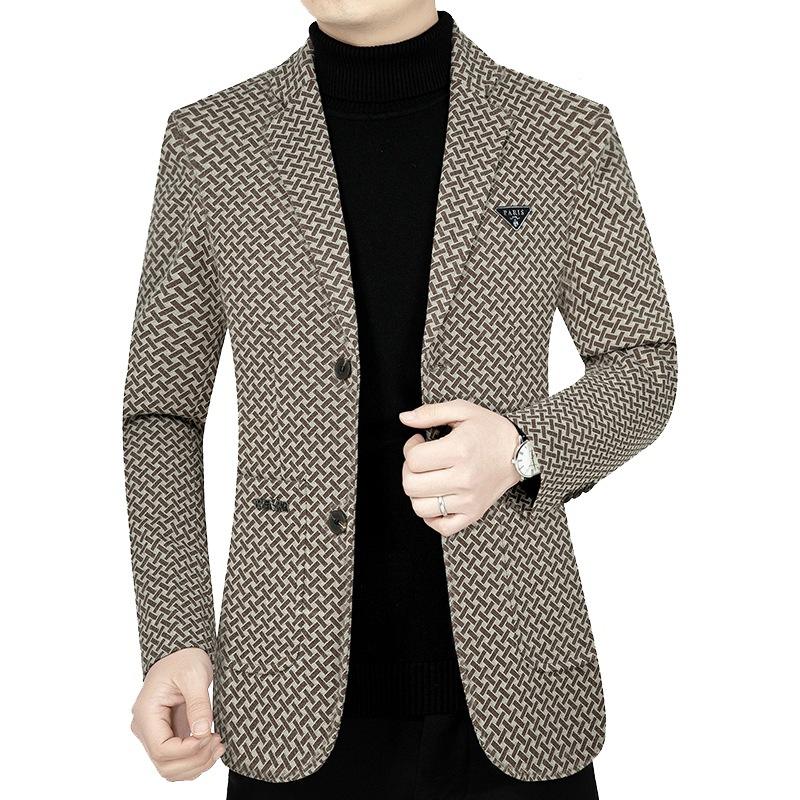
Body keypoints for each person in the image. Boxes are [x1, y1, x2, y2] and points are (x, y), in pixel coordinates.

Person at [124, 2, 677, 797]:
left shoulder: (562, 132)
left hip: (521, 685)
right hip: (283, 693)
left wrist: (521, 450)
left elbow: (644, 363)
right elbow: (162, 411)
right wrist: (175, 636)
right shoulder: (213, 142)